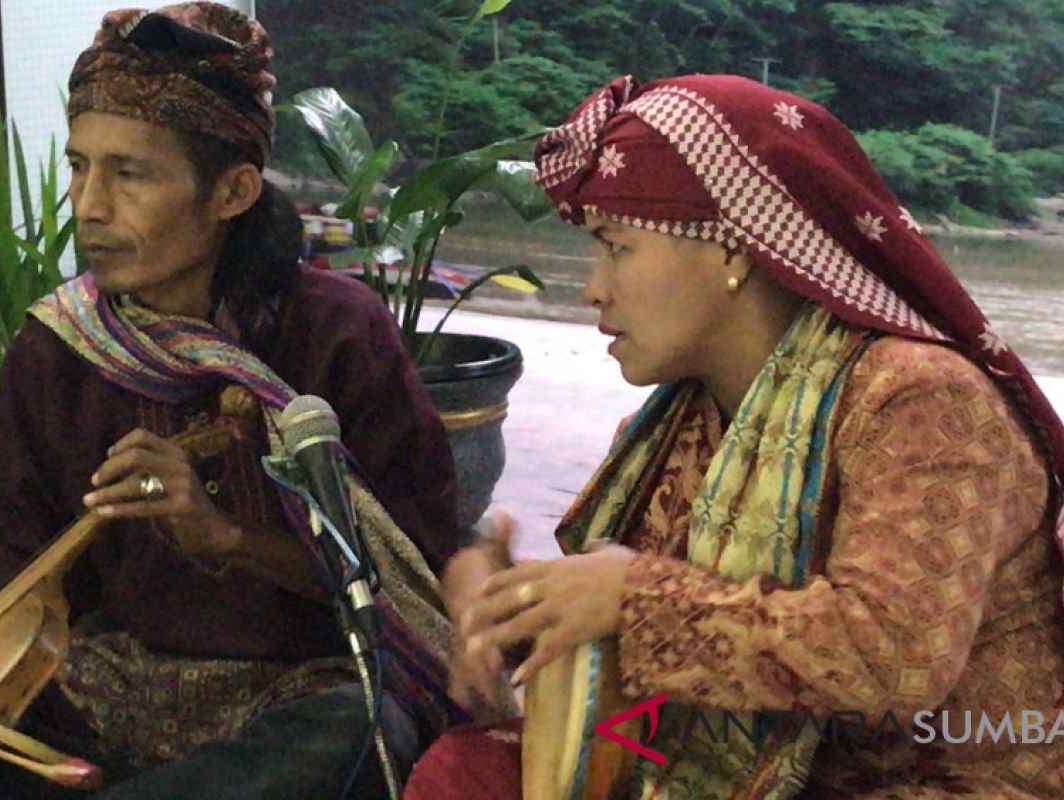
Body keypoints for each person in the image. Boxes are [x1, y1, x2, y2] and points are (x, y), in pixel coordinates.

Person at [404, 75, 1064, 798]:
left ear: (733, 250)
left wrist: (629, 598)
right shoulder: (676, 424)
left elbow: (892, 660)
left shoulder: (918, 400)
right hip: (762, 775)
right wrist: (514, 613)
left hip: (945, 780)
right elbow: (662, 657)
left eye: (616, 247)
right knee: (462, 773)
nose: (593, 287)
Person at [0, 4, 460, 798]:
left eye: (130, 174)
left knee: (359, 736)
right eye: (80, 166)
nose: (89, 204)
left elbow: (414, 580)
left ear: (232, 192)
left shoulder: (334, 334)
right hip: (115, 683)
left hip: (300, 685)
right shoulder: (60, 346)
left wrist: (224, 537)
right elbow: (23, 565)